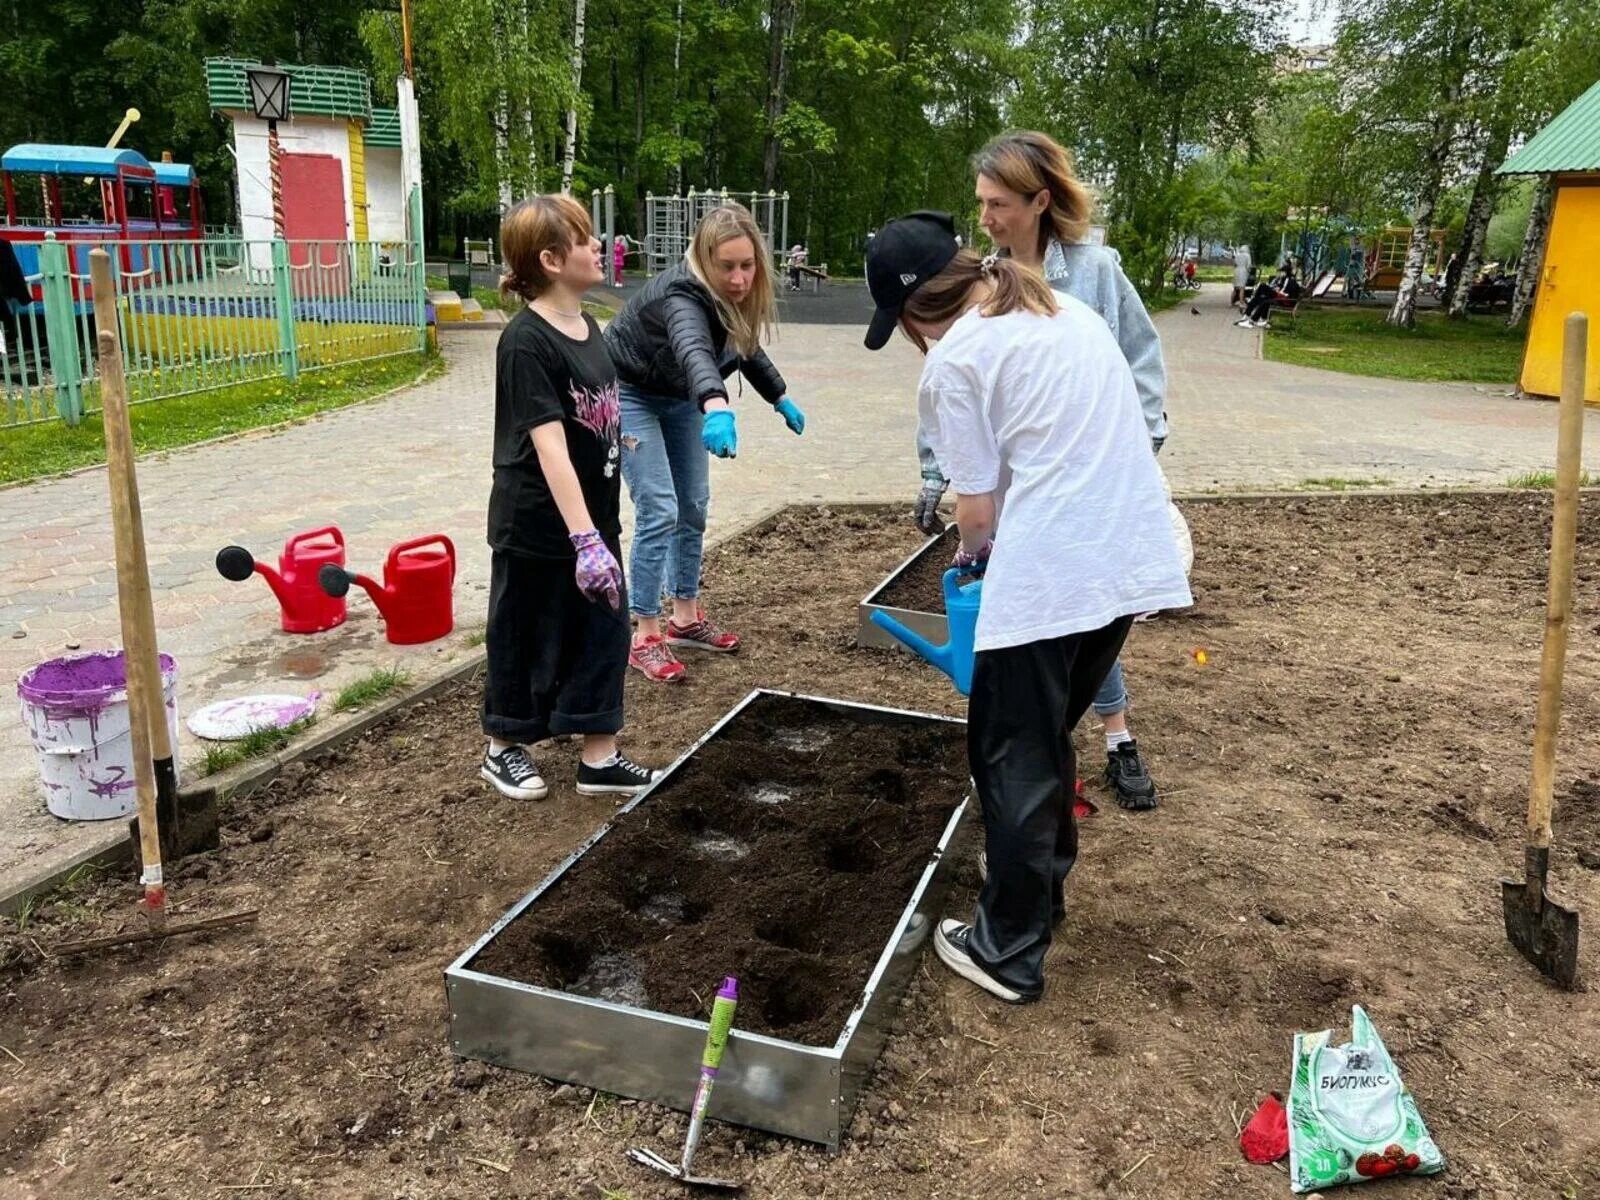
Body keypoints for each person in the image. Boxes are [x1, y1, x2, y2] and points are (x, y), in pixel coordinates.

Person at [863, 213, 1192, 1003]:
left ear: (913, 316)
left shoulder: (955, 360)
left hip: (1058, 577)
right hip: (1127, 563)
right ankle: (1039, 896)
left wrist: (971, 566)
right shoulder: (1059, 310)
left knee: (1009, 754)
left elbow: (977, 510)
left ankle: (1007, 952)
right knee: (1044, 738)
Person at [916, 128, 1167, 810]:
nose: (988, 218)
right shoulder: (982, 275)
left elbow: (1139, 357)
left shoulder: (1094, 271)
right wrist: (934, 474)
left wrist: (1141, 443)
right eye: (982, 203)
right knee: (1054, 623)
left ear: (1040, 200)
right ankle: (1046, 762)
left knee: (1087, 606)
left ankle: (1117, 738)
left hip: (1087, 468)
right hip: (1021, 475)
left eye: (999, 203)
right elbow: (953, 390)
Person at [480, 195, 658, 802]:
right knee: (525, 631)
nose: (600, 248)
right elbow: (548, 444)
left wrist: (619, 442)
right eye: (586, 240)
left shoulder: (588, 326)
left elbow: (594, 413)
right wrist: (584, 539)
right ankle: (505, 747)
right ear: (553, 259)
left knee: (604, 631)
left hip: (594, 517)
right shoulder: (525, 342)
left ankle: (598, 756)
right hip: (537, 523)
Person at [604, 203, 805, 682]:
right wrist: (716, 406)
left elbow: (744, 348)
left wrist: (780, 396)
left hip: (680, 398)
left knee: (693, 504)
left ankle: (685, 619)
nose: (739, 279)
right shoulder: (681, 296)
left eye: (747, 265)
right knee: (659, 506)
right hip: (632, 394)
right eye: (727, 267)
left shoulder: (735, 299)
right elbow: (694, 349)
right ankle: (645, 634)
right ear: (704, 259)